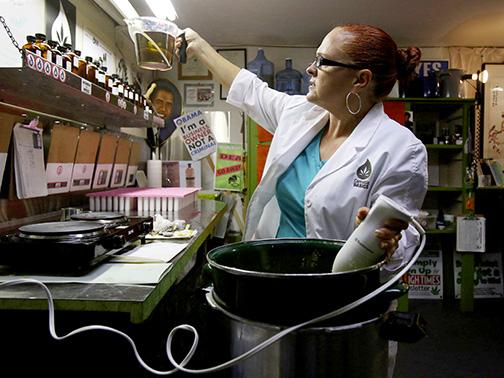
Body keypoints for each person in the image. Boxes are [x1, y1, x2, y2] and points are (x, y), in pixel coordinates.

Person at [176, 24, 427, 270]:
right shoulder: (300, 114)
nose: (310, 69)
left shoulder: (402, 149)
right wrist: (197, 44)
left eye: (323, 61)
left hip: (337, 292)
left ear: (361, 79)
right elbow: (249, 90)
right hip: (274, 274)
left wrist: (386, 242)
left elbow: (402, 243)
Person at [145, 78, 189, 160]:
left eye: (169, 104)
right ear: (150, 102)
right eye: (159, 102)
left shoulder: (173, 133)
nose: (163, 109)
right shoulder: (142, 129)